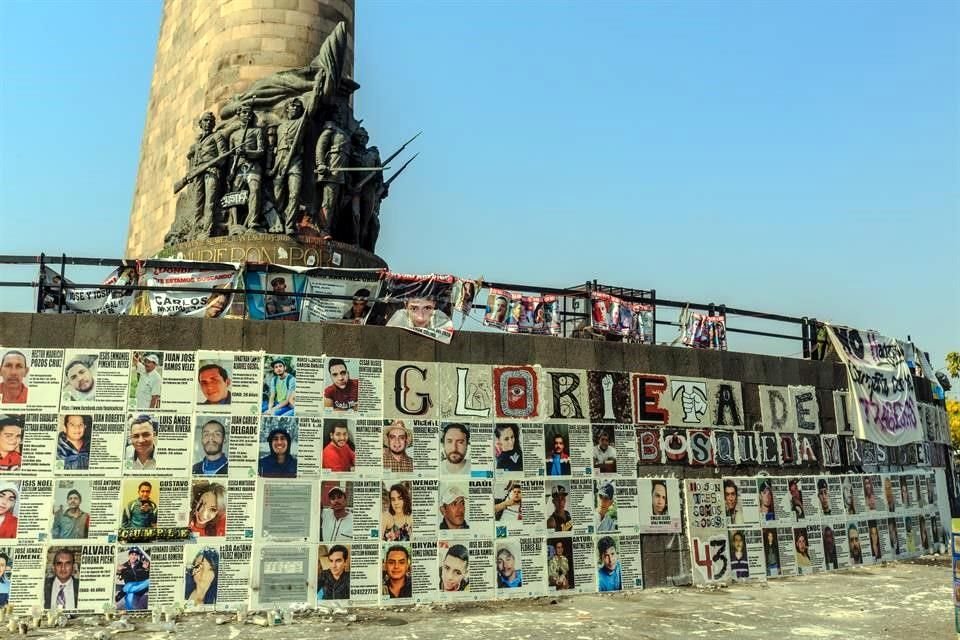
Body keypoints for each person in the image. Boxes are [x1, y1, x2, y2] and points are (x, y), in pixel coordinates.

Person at [182, 111, 227, 237]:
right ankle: (195, 230)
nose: (208, 123)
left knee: (210, 202)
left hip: (211, 172)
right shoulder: (198, 143)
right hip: (198, 174)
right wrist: (191, 175)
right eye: (205, 121)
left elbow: (223, 157)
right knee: (198, 203)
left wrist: (212, 165)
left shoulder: (217, 137)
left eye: (210, 121)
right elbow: (195, 161)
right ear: (200, 124)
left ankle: (207, 230)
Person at [269, 98, 309, 234]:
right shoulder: (280, 127)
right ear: (287, 109)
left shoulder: (301, 122)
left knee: (294, 194)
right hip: (280, 160)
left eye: (297, 108)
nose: (294, 109)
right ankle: (276, 223)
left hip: (295, 161)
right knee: (277, 195)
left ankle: (290, 224)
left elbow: (312, 108)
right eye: (292, 107)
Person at [226, 102, 265, 229]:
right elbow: (231, 157)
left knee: (255, 190)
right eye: (244, 112)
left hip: (253, 166)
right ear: (239, 115)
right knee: (233, 195)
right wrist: (230, 172)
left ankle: (253, 221)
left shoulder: (257, 131)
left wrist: (246, 152)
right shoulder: (233, 135)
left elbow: (261, 151)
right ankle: (235, 224)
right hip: (238, 168)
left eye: (249, 112)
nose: (247, 115)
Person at [387, 295, 454, 333]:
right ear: (406, 306)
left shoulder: (440, 318)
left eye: (427, 308)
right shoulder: (400, 316)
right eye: (414, 309)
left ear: (434, 305)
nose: (420, 318)